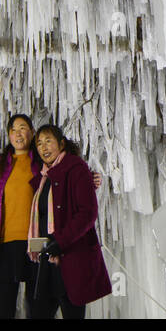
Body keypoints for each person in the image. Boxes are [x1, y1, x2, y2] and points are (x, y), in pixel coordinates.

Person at [28, 123, 112, 319]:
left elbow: (87, 213)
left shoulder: (76, 169)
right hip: (46, 260)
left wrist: (61, 241)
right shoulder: (42, 178)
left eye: (49, 141)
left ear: (61, 143)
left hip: (70, 258)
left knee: (71, 312)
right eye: (39, 143)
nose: (44, 147)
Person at [0, 114, 43, 318]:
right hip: (6, 240)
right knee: (5, 307)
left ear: (31, 132)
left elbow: (66, 182)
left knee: (37, 305)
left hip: (37, 240)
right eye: (14, 129)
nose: (18, 133)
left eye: (23, 128)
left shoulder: (41, 161)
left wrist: (90, 180)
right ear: (9, 135)